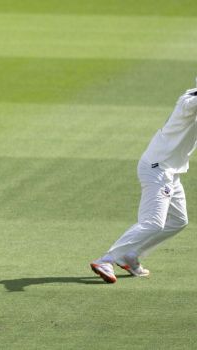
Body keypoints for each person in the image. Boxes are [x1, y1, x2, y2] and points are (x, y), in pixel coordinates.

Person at [90, 81, 197, 283]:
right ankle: (107, 259)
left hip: (171, 172)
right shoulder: (187, 103)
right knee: (153, 223)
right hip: (157, 170)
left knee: (178, 221)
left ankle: (131, 254)